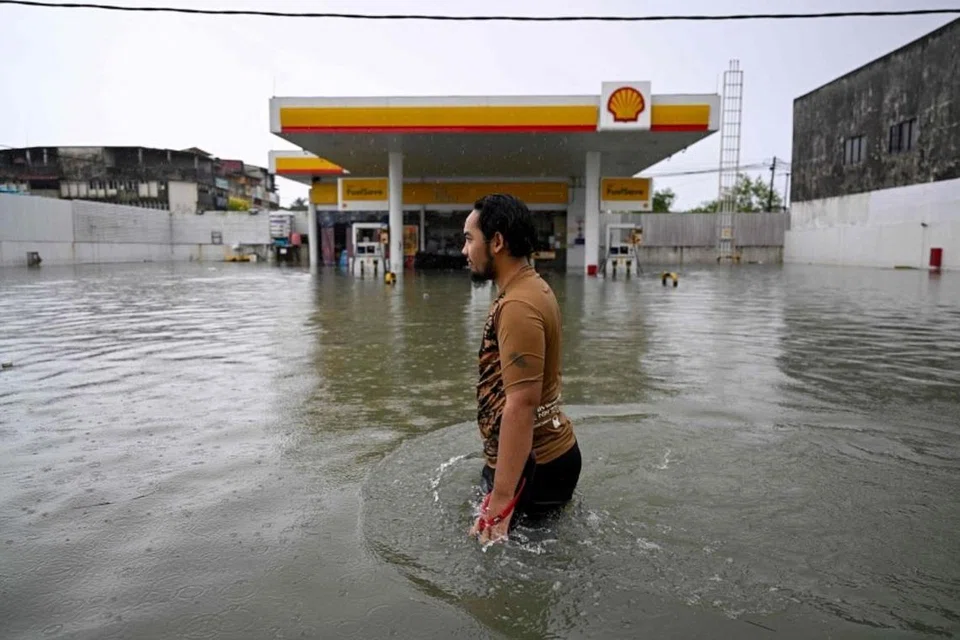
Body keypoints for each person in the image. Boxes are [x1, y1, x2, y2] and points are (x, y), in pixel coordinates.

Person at [461, 193, 581, 544]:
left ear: (496, 242)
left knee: (490, 557)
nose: (464, 251)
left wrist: (500, 499)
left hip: (533, 466)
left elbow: (522, 404)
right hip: (540, 461)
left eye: (470, 240)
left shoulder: (517, 304)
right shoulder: (532, 287)